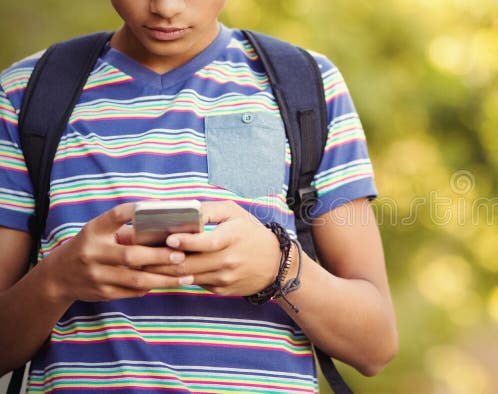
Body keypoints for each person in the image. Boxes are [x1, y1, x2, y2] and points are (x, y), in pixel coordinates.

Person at [0, 0, 397, 392]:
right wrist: (57, 280)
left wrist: (280, 269)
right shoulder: (25, 96)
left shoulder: (308, 88)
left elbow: (375, 347)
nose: (166, 8)